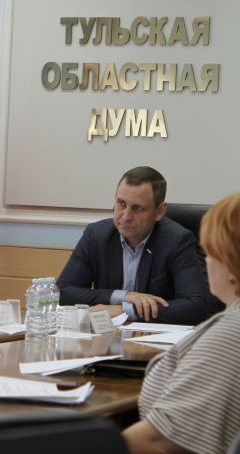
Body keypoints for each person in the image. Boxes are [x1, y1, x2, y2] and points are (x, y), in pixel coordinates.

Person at [122, 193, 240, 453]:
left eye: (209, 251)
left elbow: (160, 442)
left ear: (231, 264)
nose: (205, 261)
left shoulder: (230, 335)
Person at [57, 166, 209, 325]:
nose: (126, 216)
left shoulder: (177, 240)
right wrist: (123, 296)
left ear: (159, 211)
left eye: (138, 208)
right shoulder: (97, 235)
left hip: (155, 336)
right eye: (121, 203)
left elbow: (196, 306)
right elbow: (63, 292)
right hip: (108, 333)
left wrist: (126, 310)